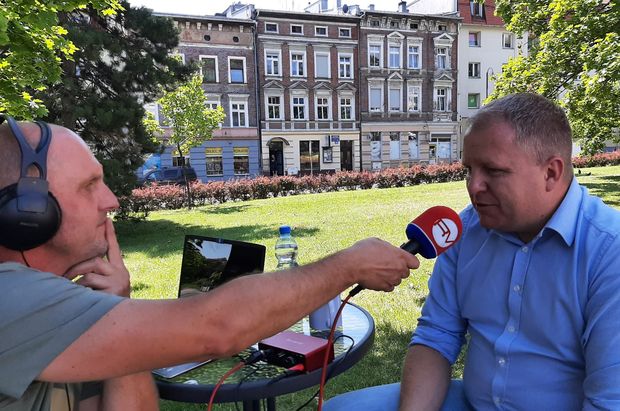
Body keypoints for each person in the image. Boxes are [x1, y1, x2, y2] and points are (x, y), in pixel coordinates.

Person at [0, 117, 420, 410]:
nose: (110, 200)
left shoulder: (64, 306)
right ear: (28, 212)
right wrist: (346, 266)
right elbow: (218, 327)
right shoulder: (9, 298)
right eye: (90, 185)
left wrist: (117, 311)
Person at [324, 92, 620, 410]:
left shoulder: (609, 253)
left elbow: (608, 401)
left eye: (493, 171)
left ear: (551, 173)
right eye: (469, 169)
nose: (473, 186)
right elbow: (436, 336)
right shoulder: (465, 229)